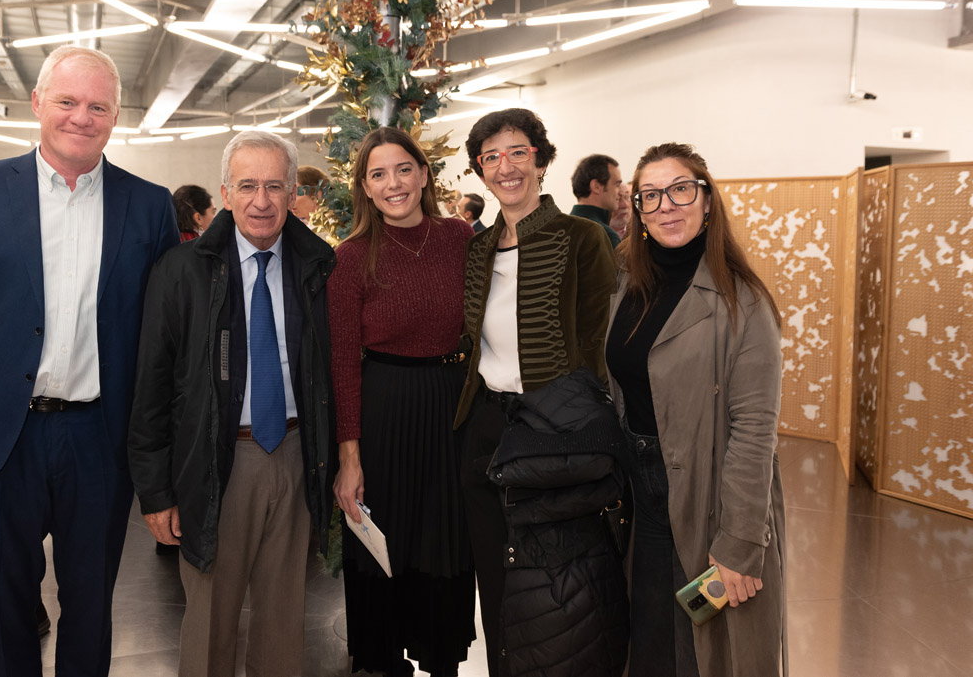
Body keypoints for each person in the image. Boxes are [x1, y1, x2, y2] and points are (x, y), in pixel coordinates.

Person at [0, 44, 179, 677]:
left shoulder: (149, 206)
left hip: (99, 438)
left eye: (98, 106)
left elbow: (163, 335)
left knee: (90, 602)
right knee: (3, 603)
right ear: (37, 102)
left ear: (115, 117)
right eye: (67, 101)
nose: (81, 117)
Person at [129, 130, 336, 677]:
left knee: (284, 619)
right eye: (247, 186)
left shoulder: (318, 268)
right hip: (214, 462)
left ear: (292, 193)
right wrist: (155, 492)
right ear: (224, 193)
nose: (261, 201)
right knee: (209, 621)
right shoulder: (181, 271)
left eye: (274, 186)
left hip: (295, 455)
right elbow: (150, 388)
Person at [455, 108, 626, 677]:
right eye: (491, 157)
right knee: (495, 586)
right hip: (486, 430)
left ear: (542, 160)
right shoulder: (477, 249)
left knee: (556, 595)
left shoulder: (583, 238)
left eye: (518, 152)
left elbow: (597, 345)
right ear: (480, 170)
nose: (505, 167)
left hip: (554, 436)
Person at [606, 142, 786, 677]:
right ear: (637, 211)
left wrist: (740, 542)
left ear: (707, 201)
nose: (666, 205)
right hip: (641, 497)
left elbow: (754, 430)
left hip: (709, 498)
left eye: (681, 190)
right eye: (651, 195)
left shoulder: (742, 302)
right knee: (650, 640)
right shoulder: (626, 285)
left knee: (702, 648)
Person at [329, 127, 476, 676]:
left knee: (445, 539)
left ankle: (441, 657)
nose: (393, 183)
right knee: (384, 545)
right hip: (383, 411)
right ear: (365, 188)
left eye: (403, 169)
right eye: (378, 174)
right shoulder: (350, 257)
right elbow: (343, 363)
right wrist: (349, 459)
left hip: (451, 411)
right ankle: (385, 661)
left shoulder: (459, 237)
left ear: (424, 174)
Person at [570, 154, 625, 247]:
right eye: (617, 185)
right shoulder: (606, 235)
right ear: (596, 186)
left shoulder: (561, 230)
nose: (620, 192)